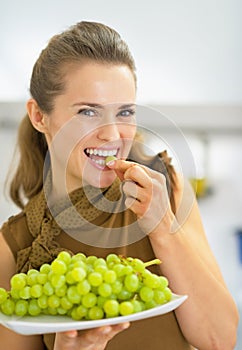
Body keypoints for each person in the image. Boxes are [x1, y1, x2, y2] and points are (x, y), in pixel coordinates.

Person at [0, 21, 238, 350]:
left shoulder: (166, 190)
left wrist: (163, 227)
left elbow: (220, 339)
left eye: (124, 112)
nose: (112, 135)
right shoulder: (14, 245)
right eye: (88, 112)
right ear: (39, 116)